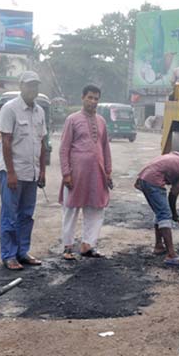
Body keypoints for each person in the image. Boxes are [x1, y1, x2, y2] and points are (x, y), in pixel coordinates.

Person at [0, 71, 47, 270]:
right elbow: (6, 142)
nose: (32, 89)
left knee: (26, 215)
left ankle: (22, 252)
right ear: (21, 85)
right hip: (13, 172)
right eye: (29, 85)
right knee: (10, 215)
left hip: (31, 173)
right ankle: (9, 255)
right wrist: (10, 172)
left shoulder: (40, 112)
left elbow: (43, 143)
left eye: (35, 85)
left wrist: (42, 171)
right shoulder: (10, 109)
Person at [59, 84, 112, 260]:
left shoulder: (102, 122)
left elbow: (105, 148)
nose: (93, 102)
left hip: (96, 174)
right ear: (82, 98)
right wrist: (66, 173)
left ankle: (88, 244)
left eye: (96, 98)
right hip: (76, 174)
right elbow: (64, 148)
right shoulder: (72, 120)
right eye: (90, 97)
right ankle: (67, 247)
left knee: (96, 208)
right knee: (70, 209)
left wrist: (108, 172)